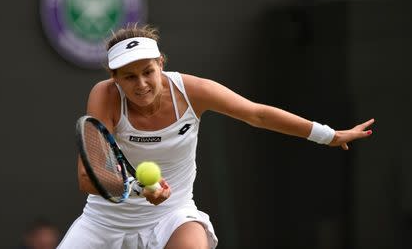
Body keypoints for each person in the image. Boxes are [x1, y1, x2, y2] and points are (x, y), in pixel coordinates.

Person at [57, 24, 374, 249]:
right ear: (115, 79)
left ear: (161, 65)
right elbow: (89, 178)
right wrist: (140, 187)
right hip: (106, 222)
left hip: (173, 215)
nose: (141, 84)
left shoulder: (193, 91)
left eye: (147, 72)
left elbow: (257, 114)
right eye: (129, 76)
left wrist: (328, 135)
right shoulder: (105, 96)